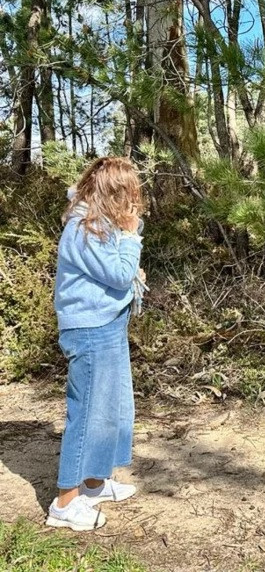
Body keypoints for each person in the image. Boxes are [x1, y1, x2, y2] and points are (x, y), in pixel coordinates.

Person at [47, 157, 146, 531]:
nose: (135, 202)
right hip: (89, 329)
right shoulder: (85, 227)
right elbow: (120, 275)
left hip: (106, 323)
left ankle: (93, 483)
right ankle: (65, 503)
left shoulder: (97, 222)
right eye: (130, 194)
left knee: (112, 408)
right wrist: (132, 235)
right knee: (87, 414)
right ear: (114, 193)